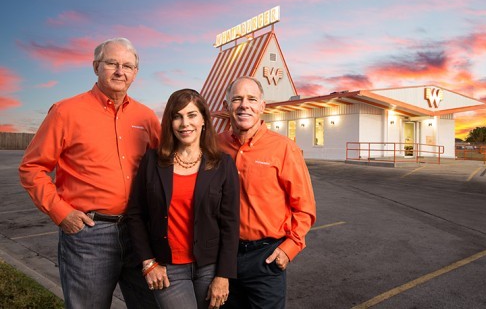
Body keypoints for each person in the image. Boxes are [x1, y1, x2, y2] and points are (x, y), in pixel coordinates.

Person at [18, 37, 160, 309]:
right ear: (96, 66)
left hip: (139, 233)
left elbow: (166, 167)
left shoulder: (146, 118)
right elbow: (32, 168)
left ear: (136, 73)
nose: (121, 71)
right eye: (112, 63)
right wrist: (61, 213)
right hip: (89, 236)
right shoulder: (65, 112)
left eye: (128, 66)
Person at [126, 89, 240, 309]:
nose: (184, 123)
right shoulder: (152, 160)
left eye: (191, 115)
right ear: (169, 122)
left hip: (210, 266)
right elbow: (136, 215)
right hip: (167, 267)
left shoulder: (223, 164)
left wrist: (223, 275)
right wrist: (148, 263)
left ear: (204, 120)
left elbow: (230, 223)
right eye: (177, 116)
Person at [218, 76, 317, 309]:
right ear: (226, 106)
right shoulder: (214, 145)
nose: (245, 105)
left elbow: (305, 209)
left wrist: (288, 249)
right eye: (237, 99)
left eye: (252, 99)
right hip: (223, 258)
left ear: (262, 106)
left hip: (266, 258)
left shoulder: (284, 149)